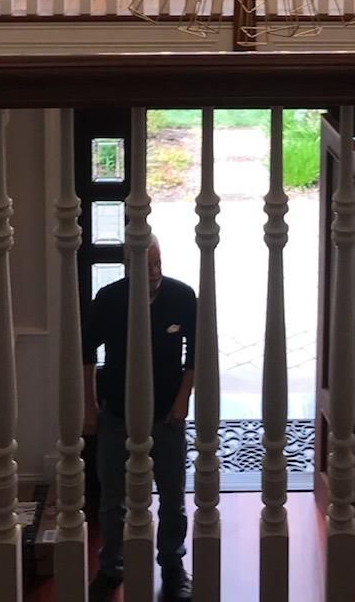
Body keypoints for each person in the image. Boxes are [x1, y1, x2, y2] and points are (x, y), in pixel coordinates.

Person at [84, 238, 196, 602]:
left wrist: (182, 402)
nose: (154, 272)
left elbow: (195, 356)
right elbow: (86, 352)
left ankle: (173, 565)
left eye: (158, 262)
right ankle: (111, 566)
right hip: (117, 410)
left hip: (166, 414)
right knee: (111, 497)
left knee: (173, 494)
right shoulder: (110, 298)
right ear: (127, 266)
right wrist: (90, 406)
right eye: (146, 265)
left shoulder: (181, 296)